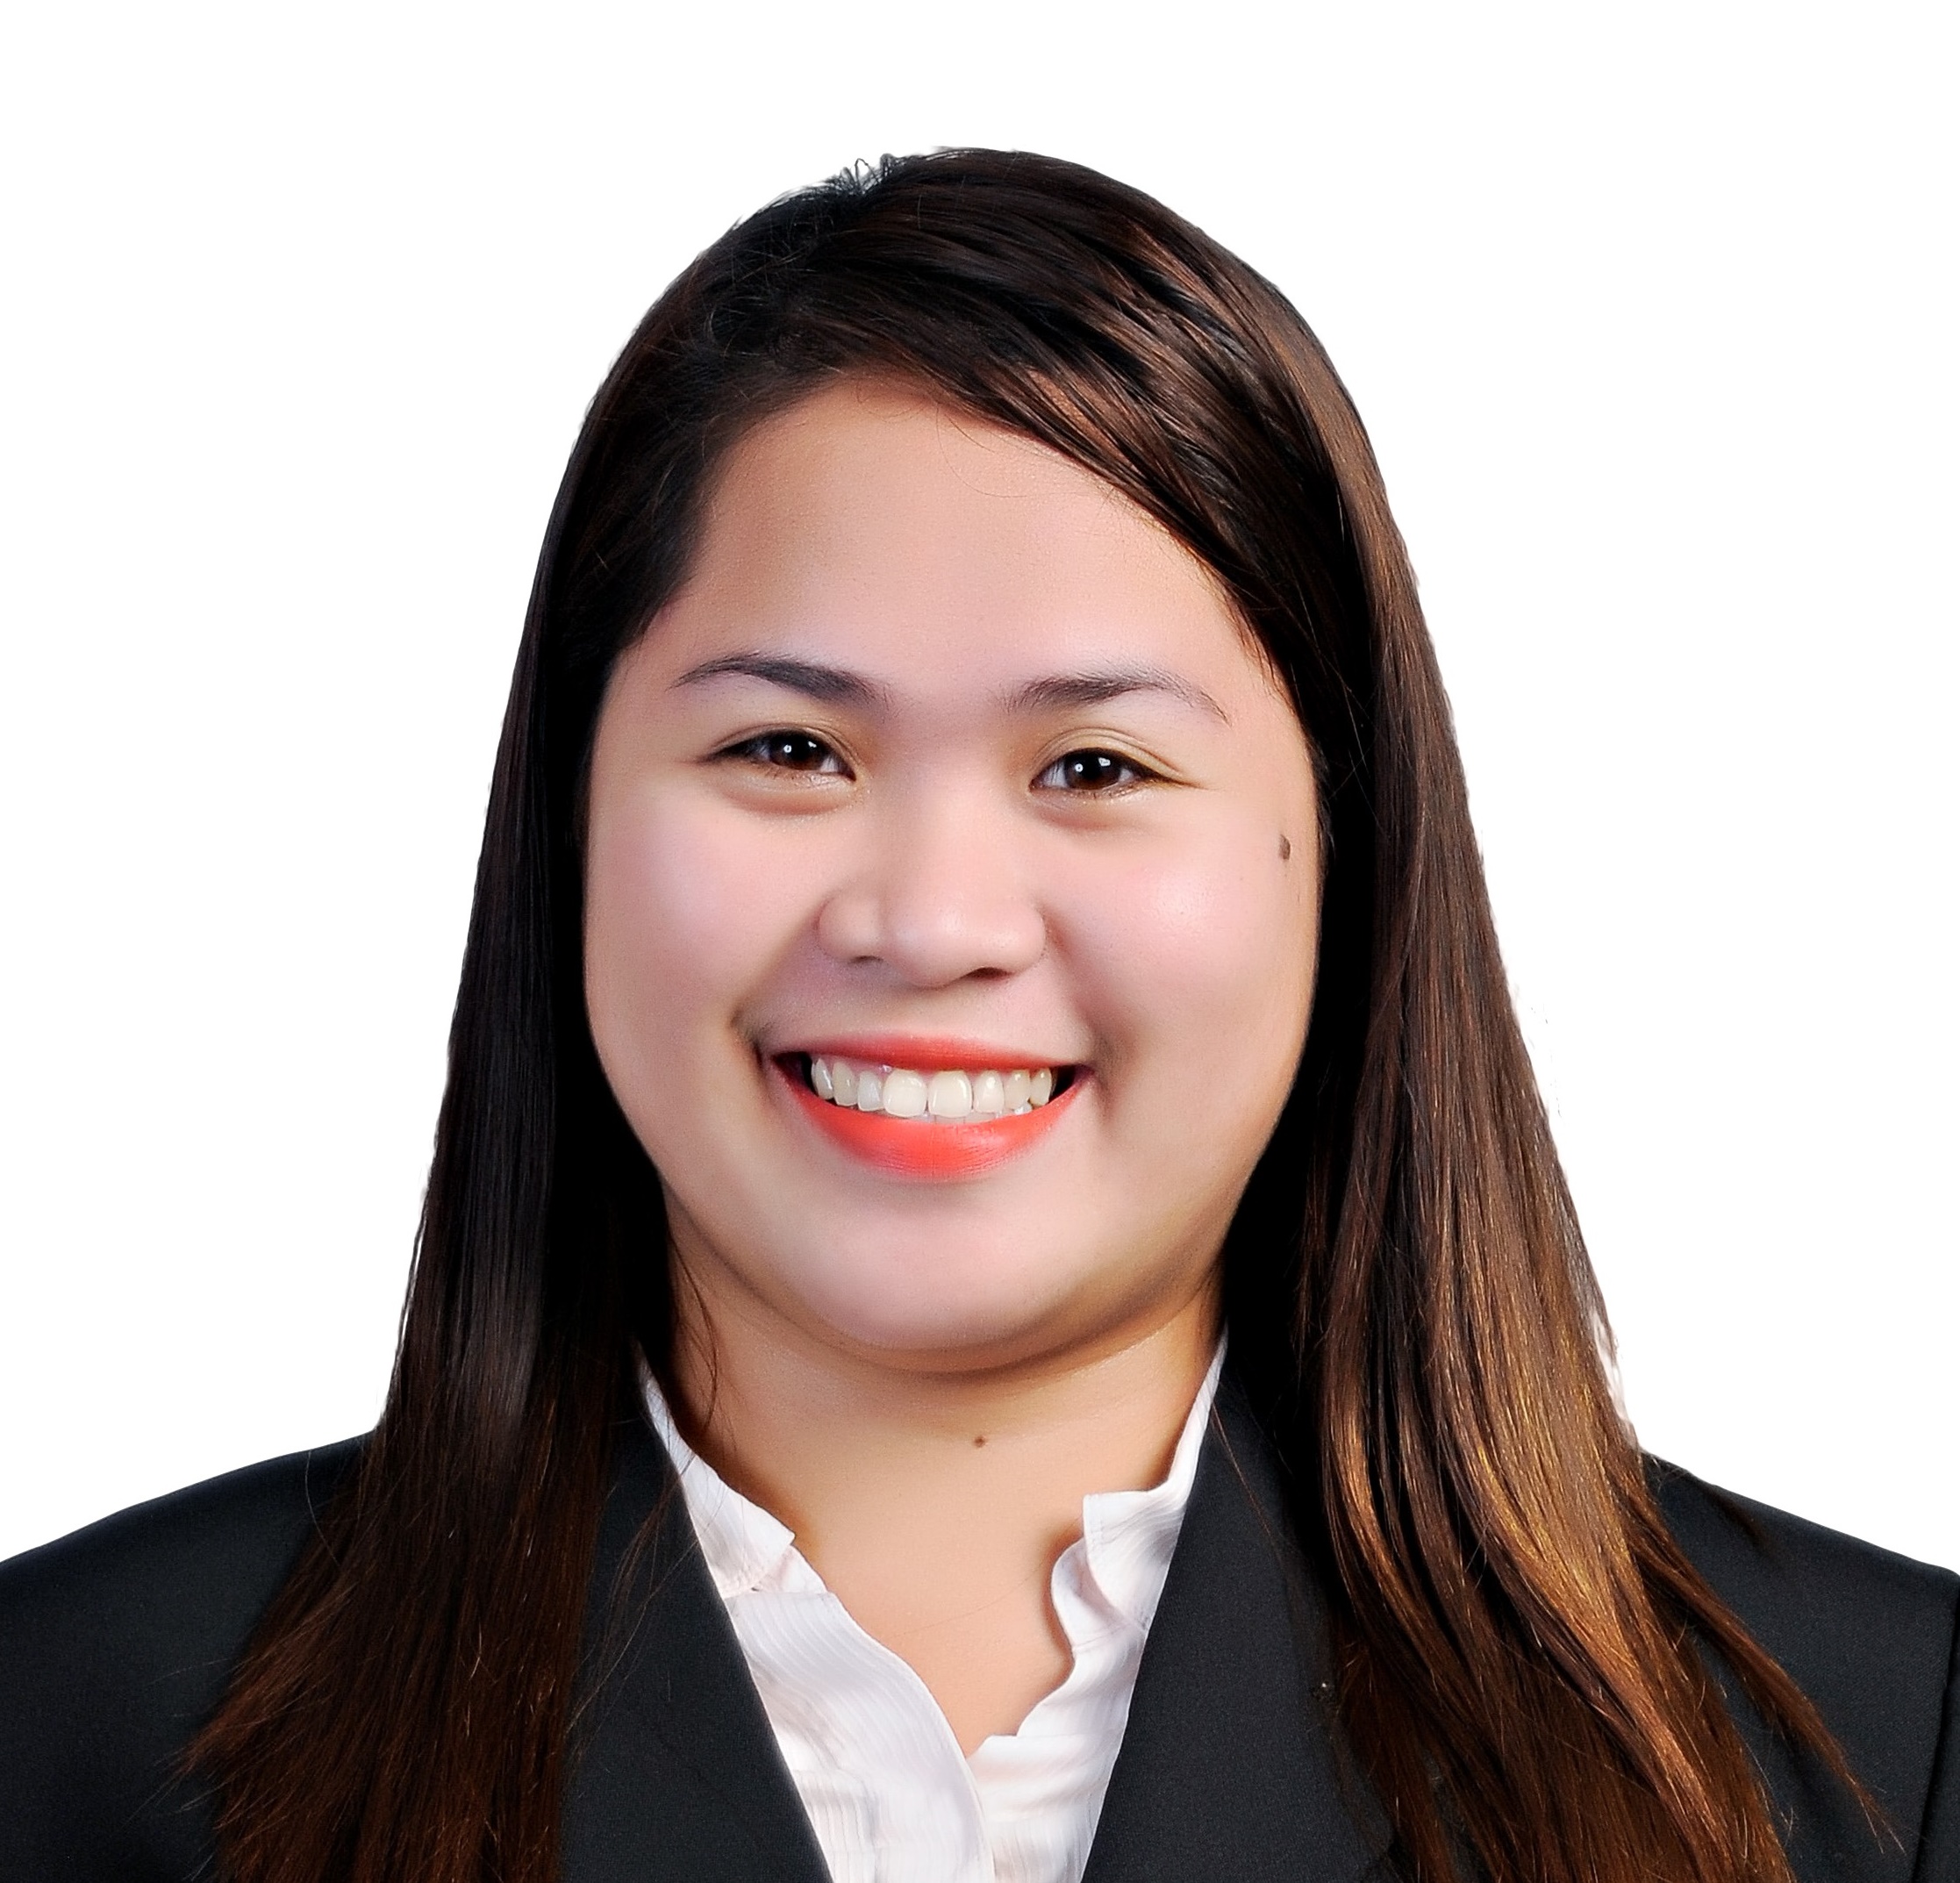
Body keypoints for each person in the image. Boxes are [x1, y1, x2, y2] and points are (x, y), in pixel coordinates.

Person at [0, 149, 1952, 1883]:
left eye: (1095, 767)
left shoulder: (1880, 1758)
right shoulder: (65, 1729)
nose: (931, 921)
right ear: (565, 823)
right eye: (787, 747)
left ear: (1342, 855)